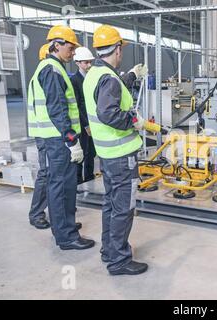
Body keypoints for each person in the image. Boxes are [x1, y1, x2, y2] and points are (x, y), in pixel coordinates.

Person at [83, 25, 161, 276]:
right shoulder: (107, 78)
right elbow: (108, 112)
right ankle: (118, 260)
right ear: (117, 48)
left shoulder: (95, 74)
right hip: (120, 156)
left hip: (106, 154)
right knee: (124, 208)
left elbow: (110, 89)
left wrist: (131, 75)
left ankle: (109, 250)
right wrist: (134, 120)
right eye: (121, 49)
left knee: (110, 204)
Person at [29, 25, 94, 250]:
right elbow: (57, 109)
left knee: (63, 185)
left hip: (56, 139)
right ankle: (66, 237)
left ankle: (64, 226)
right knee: (62, 186)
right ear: (56, 45)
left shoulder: (53, 68)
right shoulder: (52, 70)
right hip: (58, 140)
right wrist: (71, 140)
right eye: (70, 46)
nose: (73, 52)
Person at [27, 44, 50, 230]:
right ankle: (36, 213)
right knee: (46, 173)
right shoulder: (45, 73)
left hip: (46, 133)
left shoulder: (40, 73)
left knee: (51, 173)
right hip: (45, 134)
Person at [70, 47, 96, 184]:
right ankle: (78, 182)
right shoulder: (74, 80)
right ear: (78, 63)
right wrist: (86, 124)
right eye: (86, 62)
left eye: (90, 62)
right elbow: (76, 105)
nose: (89, 65)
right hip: (82, 124)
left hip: (93, 121)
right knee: (82, 153)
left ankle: (90, 178)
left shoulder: (92, 79)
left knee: (91, 152)